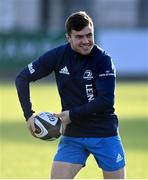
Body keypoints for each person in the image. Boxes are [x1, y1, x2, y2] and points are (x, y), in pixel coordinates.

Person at [15, 11, 126, 179]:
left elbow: (105, 100)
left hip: (104, 133)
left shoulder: (103, 60)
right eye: (79, 37)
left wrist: (71, 115)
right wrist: (28, 115)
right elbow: (22, 78)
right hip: (73, 135)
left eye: (89, 35)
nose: (86, 41)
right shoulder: (58, 56)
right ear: (68, 37)